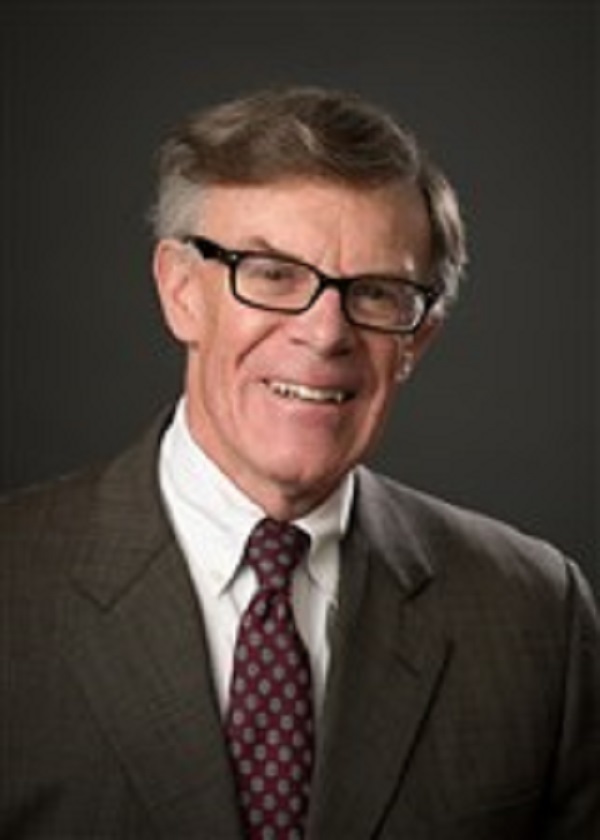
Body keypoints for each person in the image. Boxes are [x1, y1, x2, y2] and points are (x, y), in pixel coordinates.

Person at [1, 86, 598, 840]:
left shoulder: (534, 613)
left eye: (375, 292)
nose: (324, 334)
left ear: (416, 340)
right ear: (181, 292)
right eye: (273, 273)